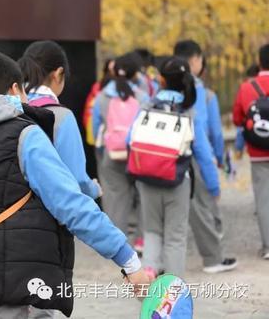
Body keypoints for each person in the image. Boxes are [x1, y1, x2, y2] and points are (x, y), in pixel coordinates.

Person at [0, 52, 149, 319]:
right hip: (3, 294)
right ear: (15, 90)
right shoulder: (25, 136)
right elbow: (71, 205)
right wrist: (128, 260)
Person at [132, 57, 210, 277]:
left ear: (162, 80)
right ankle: (172, 297)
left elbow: (132, 138)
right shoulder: (189, 112)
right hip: (177, 180)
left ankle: (148, 283)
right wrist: (213, 185)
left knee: (152, 232)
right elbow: (202, 153)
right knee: (175, 237)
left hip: (146, 179)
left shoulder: (146, 106)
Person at [174, 40, 237, 273]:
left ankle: (157, 265)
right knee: (204, 205)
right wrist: (217, 159)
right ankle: (213, 257)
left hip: (164, 157)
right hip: (198, 157)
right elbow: (215, 133)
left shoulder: (162, 91)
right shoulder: (205, 94)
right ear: (195, 60)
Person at [19, 40, 101, 199]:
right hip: (43, 212)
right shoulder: (61, 116)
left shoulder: (7, 106)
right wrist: (94, 189)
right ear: (58, 74)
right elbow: (76, 180)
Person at [92, 53, 148, 244]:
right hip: (138, 156)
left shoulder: (101, 97)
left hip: (111, 154)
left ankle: (118, 243)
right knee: (143, 195)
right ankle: (141, 239)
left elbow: (95, 127)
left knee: (115, 198)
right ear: (136, 75)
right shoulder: (142, 97)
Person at [233, 44, 269, 259]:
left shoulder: (247, 87)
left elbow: (238, 119)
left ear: (259, 62)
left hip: (258, 153)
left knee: (264, 200)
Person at [83, 57, 114, 150]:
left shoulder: (97, 87)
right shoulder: (97, 88)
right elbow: (89, 111)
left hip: (104, 134)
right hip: (103, 133)